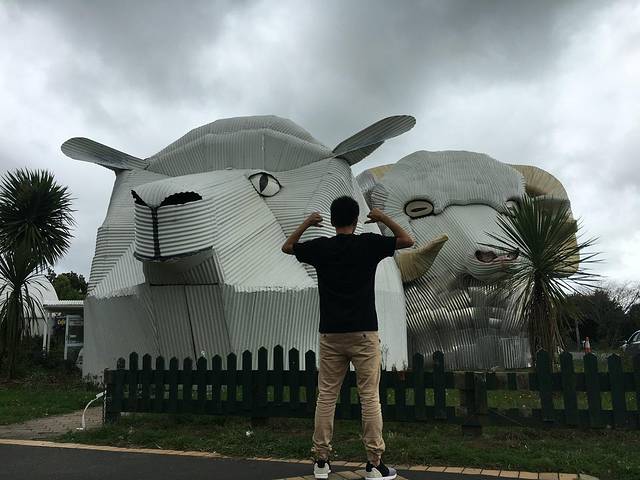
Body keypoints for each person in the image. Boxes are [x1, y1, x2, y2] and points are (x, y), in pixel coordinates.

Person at [281, 195, 414, 480]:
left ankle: (321, 461)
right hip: (364, 332)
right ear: (356, 220)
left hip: (331, 333)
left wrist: (307, 223)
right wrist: (382, 218)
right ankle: (374, 464)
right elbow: (407, 240)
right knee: (369, 397)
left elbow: (288, 247)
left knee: (327, 396)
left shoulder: (321, 247)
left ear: (332, 220)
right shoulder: (368, 243)